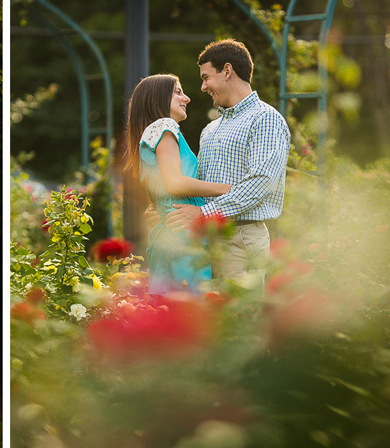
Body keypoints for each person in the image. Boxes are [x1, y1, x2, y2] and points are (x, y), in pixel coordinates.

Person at [166, 38, 291, 289]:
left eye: (205, 77)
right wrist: (166, 208)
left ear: (226, 71)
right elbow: (199, 183)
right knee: (212, 320)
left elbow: (260, 183)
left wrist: (202, 214)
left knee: (239, 319)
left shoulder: (265, 119)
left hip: (241, 236)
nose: (202, 87)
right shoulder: (211, 129)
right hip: (207, 238)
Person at [125, 74, 232, 294]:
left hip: (172, 233)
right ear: (158, 99)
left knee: (172, 314)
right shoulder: (164, 126)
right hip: (181, 234)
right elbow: (174, 182)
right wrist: (228, 189)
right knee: (191, 313)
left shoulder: (152, 134)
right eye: (178, 92)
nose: (187, 98)